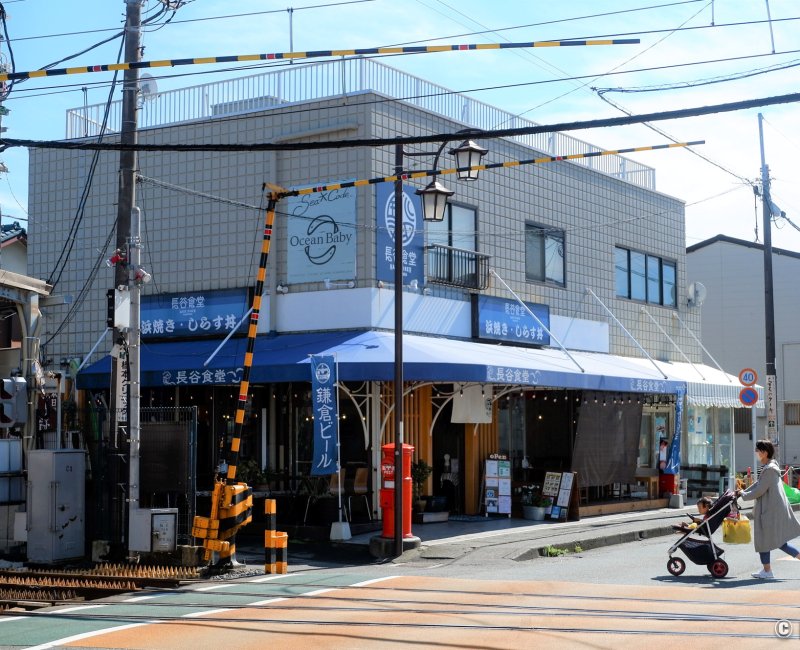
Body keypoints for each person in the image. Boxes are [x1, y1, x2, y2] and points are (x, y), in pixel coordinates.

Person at [736, 439, 800, 579]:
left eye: (758, 450)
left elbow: (760, 490)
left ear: (764, 453)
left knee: (766, 540)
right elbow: (758, 485)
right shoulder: (769, 467)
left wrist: (744, 495)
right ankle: (767, 570)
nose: (756, 453)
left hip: (770, 511)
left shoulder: (769, 470)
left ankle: (767, 571)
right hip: (771, 510)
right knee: (777, 542)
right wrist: (743, 492)